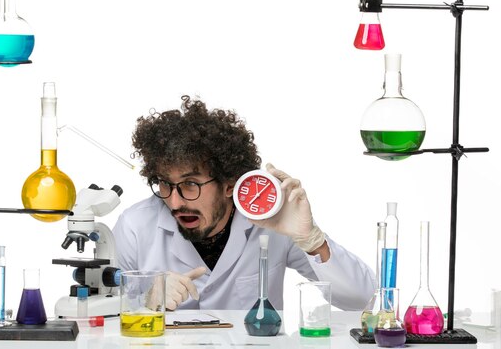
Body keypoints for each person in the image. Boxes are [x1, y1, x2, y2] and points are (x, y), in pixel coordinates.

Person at [113, 95, 375, 311]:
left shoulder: (274, 223)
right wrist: (144, 297)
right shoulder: (135, 226)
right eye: (164, 183)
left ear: (230, 183)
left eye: (190, 183)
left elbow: (360, 300)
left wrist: (312, 240)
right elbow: (107, 313)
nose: (174, 201)